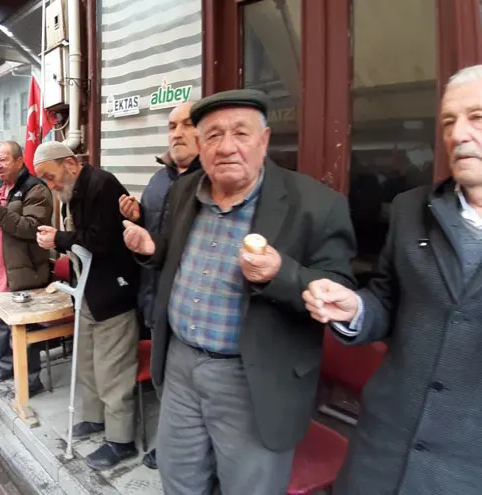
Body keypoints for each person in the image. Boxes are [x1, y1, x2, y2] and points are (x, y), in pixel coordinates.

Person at [122, 89, 357, 494]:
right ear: (200, 145)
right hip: (180, 363)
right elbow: (178, 256)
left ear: (264, 141)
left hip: (252, 376)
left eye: (240, 133)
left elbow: (339, 291)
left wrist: (281, 274)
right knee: (178, 479)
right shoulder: (185, 190)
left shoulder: (316, 204)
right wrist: (151, 249)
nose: (226, 147)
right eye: (213, 135)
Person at [302, 65, 482, 495]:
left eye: (477, 118)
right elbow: (386, 300)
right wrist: (355, 309)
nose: (458, 135)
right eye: (448, 122)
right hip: (381, 450)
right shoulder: (411, 209)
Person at [34, 141, 140, 471]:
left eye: (50, 176)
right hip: (88, 293)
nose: (51, 185)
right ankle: (95, 419)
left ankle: (121, 441)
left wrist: (58, 239)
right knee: (88, 363)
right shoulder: (74, 190)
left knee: (113, 371)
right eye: (45, 180)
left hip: (113, 293)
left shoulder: (101, 184)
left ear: (70, 164)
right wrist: (60, 238)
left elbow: (101, 241)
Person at [117, 100, 202, 469]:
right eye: (172, 126)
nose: (177, 133)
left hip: (189, 306)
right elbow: (154, 236)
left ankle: (183, 454)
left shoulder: (211, 182)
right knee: (164, 380)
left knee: (189, 389)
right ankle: (170, 445)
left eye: (188, 124)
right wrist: (138, 215)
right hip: (154, 297)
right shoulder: (158, 179)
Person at [0, 141, 51, 394]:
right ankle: (5, 366)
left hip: (19, 270)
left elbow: (31, 228)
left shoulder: (35, 188)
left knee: (22, 328)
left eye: (3, 160)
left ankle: (31, 380)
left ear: (19, 161)